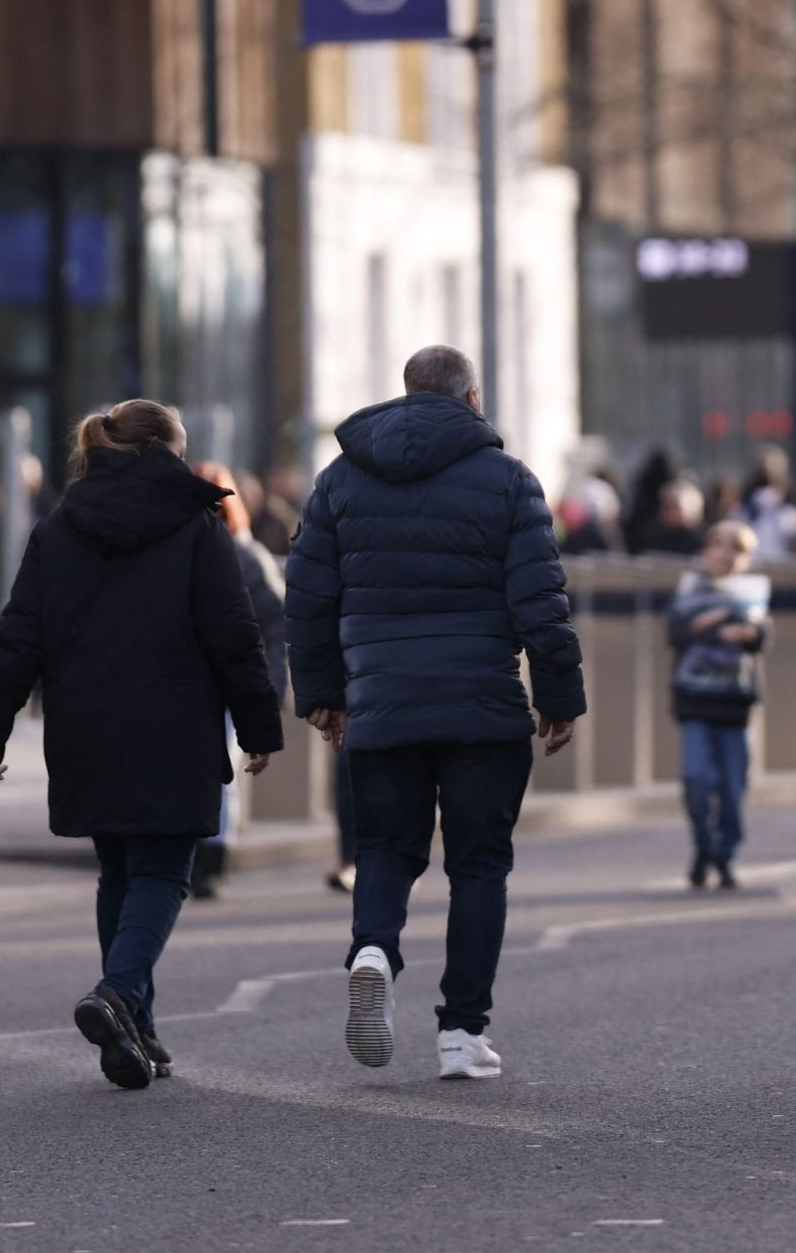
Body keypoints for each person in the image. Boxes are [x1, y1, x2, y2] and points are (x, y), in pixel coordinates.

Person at [0, 400, 282, 1090]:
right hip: (173, 724)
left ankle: (137, 1025)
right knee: (165, 869)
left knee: (120, 872)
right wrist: (258, 725)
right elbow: (234, 635)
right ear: (163, 451)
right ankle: (116, 994)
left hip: (85, 725)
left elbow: (20, 634)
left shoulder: (58, 527)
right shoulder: (197, 527)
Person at [286, 344, 584, 1082]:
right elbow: (540, 602)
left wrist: (324, 696)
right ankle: (460, 1032)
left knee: (386, 847)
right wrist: (558, 696)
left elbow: (308, 598)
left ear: (406, 393)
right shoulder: (510, 481)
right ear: (471, 397)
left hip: (382, 704)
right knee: (480, 866)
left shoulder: (339, 481)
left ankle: (373, 950)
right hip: (483, 707)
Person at [190, 462, 290, 901]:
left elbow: (276, 628)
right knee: (219, 774)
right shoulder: (246, 557)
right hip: (222, 683)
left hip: (209, 684)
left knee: (215, 773)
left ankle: (207, 857)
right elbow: (278, 627)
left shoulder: (200, 554)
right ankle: (210, 857)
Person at [672, 521, 769, 889]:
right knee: (696, 779)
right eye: (718, 545)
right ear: (705, 551)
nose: (725, 554)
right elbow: (677, 631)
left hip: (736, 706)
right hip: (695, 703)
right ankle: (703, 844)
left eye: (736, 548)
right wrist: (721, 625)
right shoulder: (691, 589)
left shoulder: (753, 592)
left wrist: (749, 632)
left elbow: (761, 636)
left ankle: (725, 855)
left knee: (732, 789)